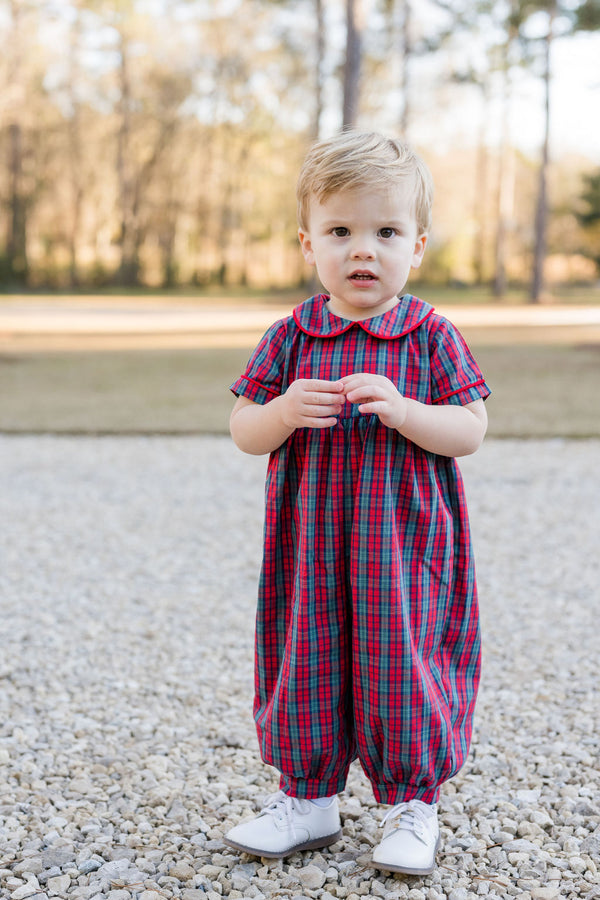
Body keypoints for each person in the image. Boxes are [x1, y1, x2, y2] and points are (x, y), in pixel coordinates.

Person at [224, 130, 490, 875]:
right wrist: (279, 413)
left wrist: (406, 411)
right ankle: (306, 799)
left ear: (419, 244)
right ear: (309, 244)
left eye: (386, 232)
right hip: (310, 549)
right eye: (341, 231)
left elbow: (470, 429)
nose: (363, 250)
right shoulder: (293, 338)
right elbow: (244, 429)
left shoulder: (429, 337)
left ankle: (413, 803)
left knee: (401, 662)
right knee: (304, 657)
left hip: (403, 554)